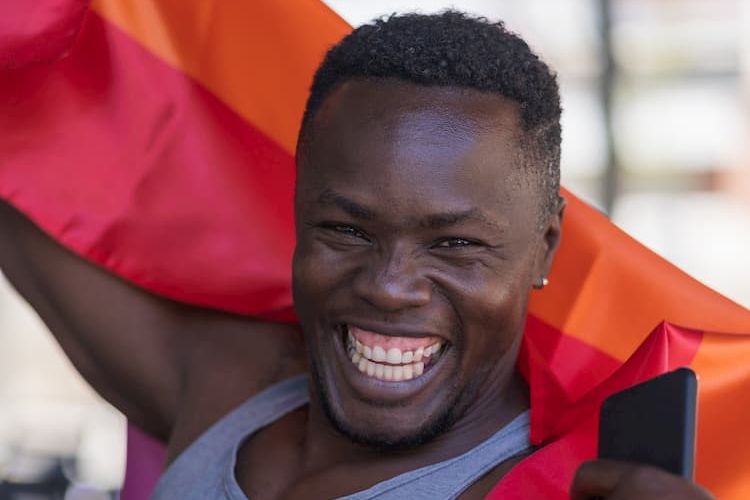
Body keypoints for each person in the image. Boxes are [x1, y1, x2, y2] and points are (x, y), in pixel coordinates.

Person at [0, 11, 714, 499]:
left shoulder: (543, 487)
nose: (391, 286)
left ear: (543, 248)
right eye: (347, 231)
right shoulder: (230, 389)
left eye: (455, 244)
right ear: (299, 212)